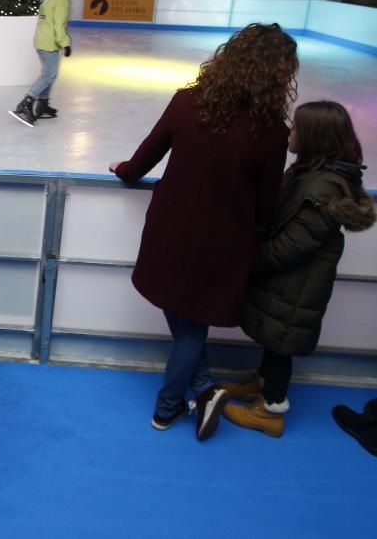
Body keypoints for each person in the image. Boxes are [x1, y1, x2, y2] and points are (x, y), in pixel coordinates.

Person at [109, 22, 299, 442]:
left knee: (184, 320)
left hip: (171, 227)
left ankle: (171, 404)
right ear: (277, 74)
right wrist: (257, 235)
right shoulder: (269, 131)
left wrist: (122, 170)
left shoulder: (187, 102)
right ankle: (200, 389)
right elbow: (267, 201)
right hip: (222, 241)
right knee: (190, 321)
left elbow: (141, 162)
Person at [221, 101, 374, 437]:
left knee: (281, 342)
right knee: (274, 336)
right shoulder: (310, 172)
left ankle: (271, 410)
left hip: (297, 284)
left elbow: (293, 245)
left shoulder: (322, 187)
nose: (289, 134)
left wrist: (250, 261)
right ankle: (262, 384)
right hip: (291, 283)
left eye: (296, 129)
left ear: (314, 138)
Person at [9, 0, 73, 127]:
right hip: (50, 42)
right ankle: (26, 102)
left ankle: (42, 104)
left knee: (48, 74)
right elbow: (58, 24)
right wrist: (65, 43)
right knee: (48, 76)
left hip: (42, 40)